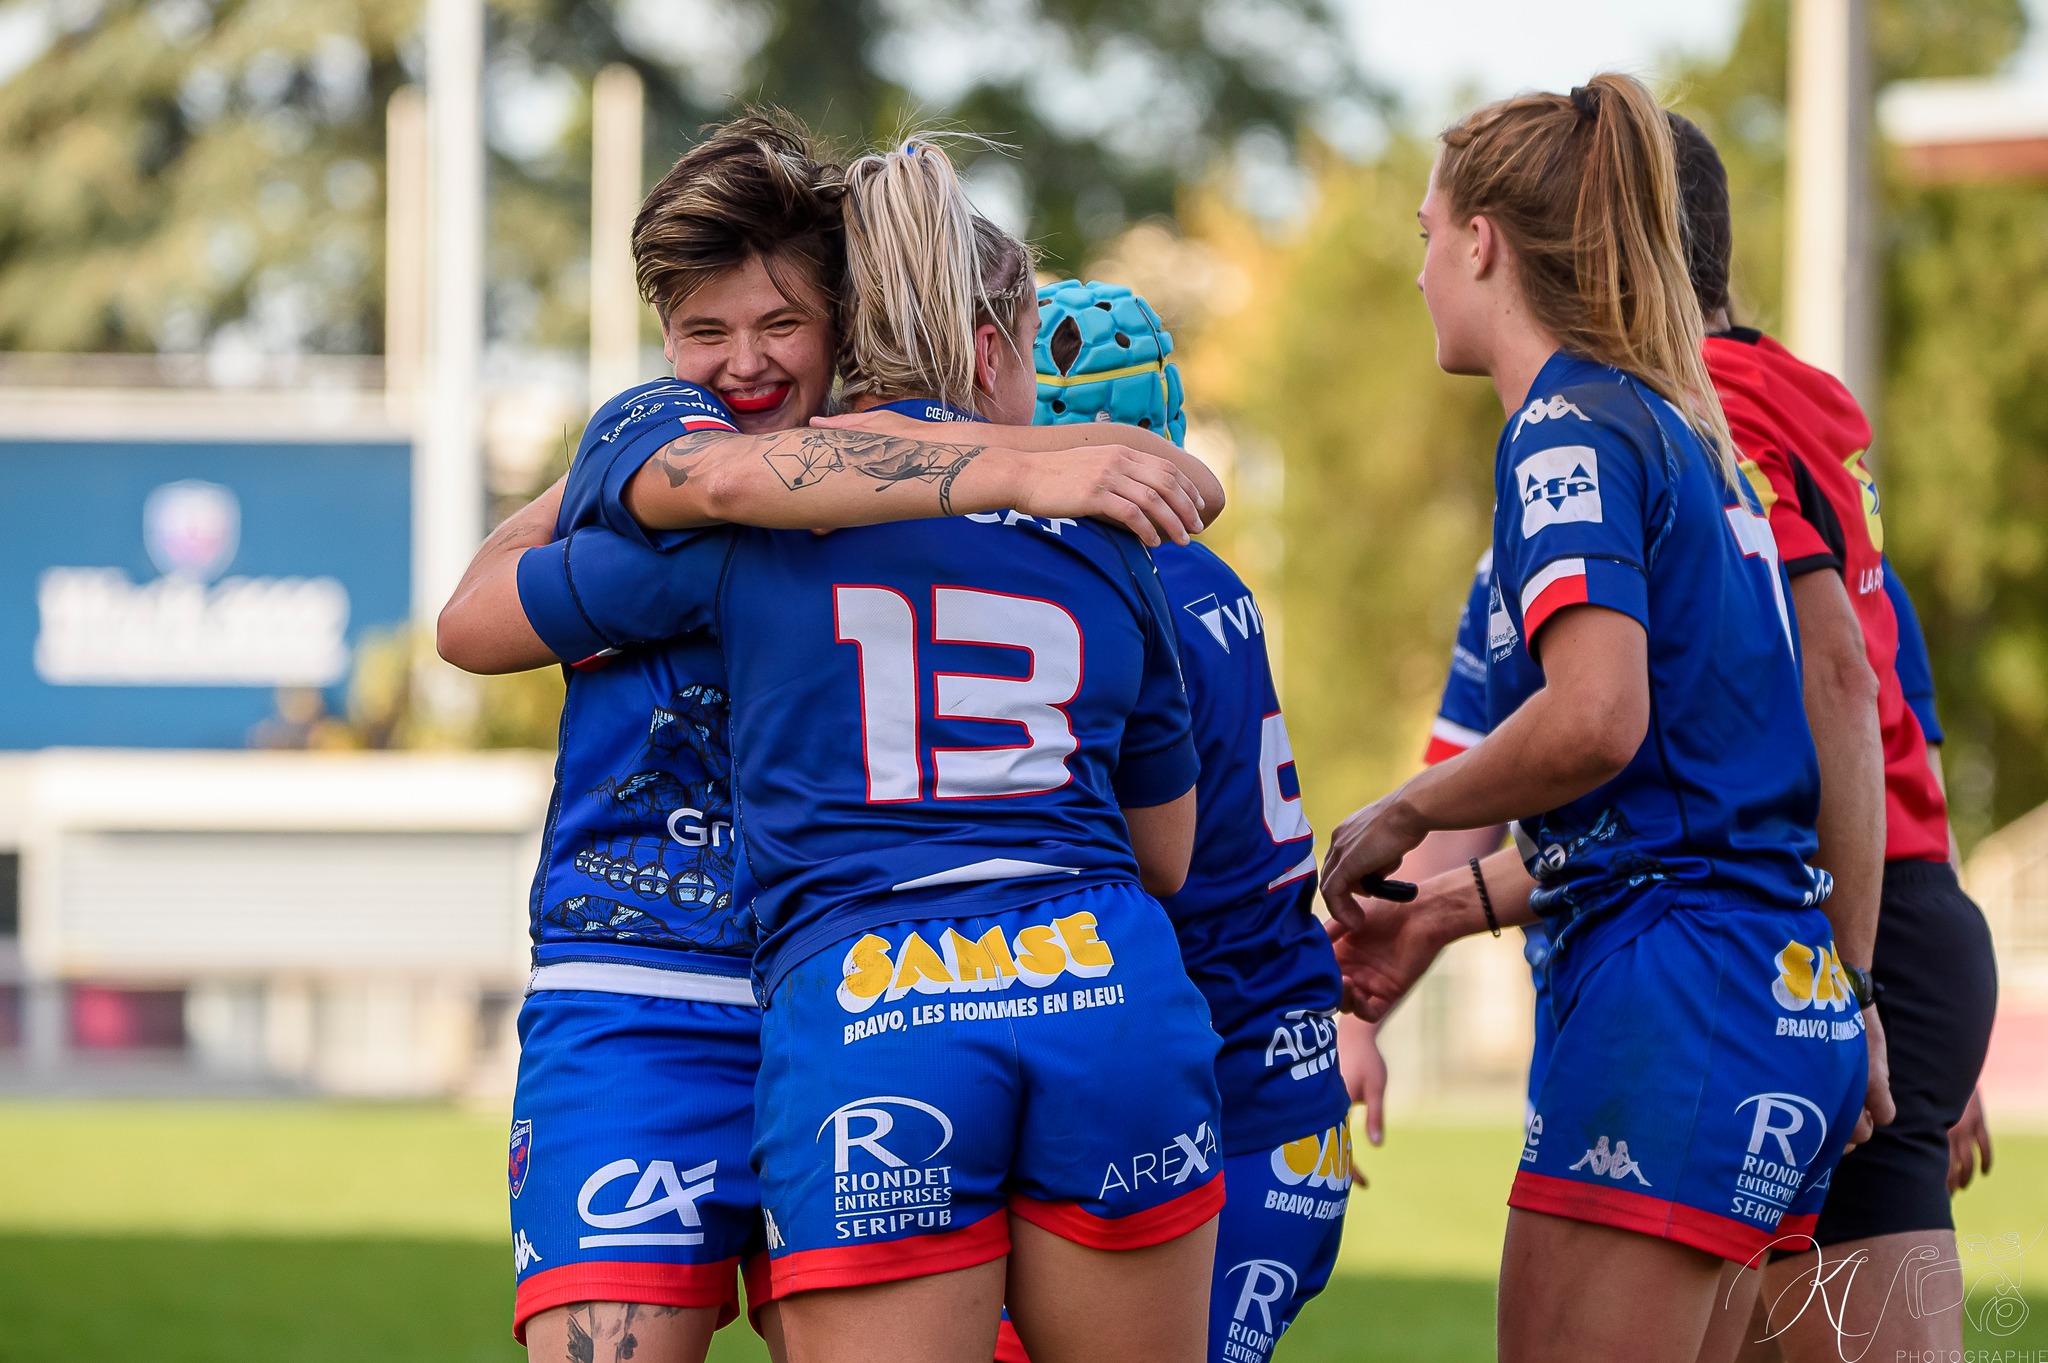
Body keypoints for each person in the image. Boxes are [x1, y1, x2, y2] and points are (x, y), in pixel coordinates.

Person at [436, 116, 1216, 1363]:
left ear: (849, 324)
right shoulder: (674, 445)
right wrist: (1031, 458)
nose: (740, 362)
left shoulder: (900, 507)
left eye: (780, 325)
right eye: (704, 330)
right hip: (655, 990)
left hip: (845, 983)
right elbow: (477, 617)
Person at [1319, 74, 1866, 1363]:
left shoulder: (1564, 424)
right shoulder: (1690, 434)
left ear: (1480, 243)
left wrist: (1403, 809)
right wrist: (1454, 904)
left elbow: (1597, 721)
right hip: (1772, 987)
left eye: (1420, 237)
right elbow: (1693, 790)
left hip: (1669, 997)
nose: (1416, 278)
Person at [1669, 115, 1998, 1363]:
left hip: (1828, 932)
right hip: (1893, 922)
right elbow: (1892, 669)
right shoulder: (1792, 414)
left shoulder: (1703, 423)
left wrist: (1863, 982)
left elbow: (1846, 689)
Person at [987, 279, 1349, 1363]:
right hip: (1276, 1083)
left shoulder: (1094, 593)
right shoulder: (1206, 574)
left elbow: (1147, 865)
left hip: (1218, 1099)